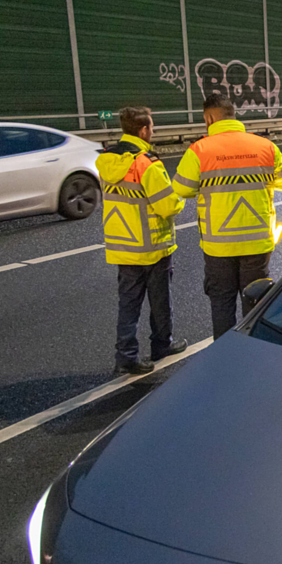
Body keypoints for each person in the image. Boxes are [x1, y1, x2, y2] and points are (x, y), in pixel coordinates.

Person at [173, 94, 282, 339]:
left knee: (222, 303)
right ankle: (254, 355)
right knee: (256, 302)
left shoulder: (199, 150)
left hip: (219, 245)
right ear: (232, 114)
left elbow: (181, 189)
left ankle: (224, 358)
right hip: (257, 242)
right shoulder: (265, 146)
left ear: (209, 118)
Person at [96, 106, 187, 375]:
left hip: (122, 245)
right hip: (152, 247)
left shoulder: (106, 162)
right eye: (152, 127)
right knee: (160, 301)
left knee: (128, 304)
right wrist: (180, 197)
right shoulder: (146, 164)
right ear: (143, 130)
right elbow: (167, 205)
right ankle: (162, 345)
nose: (153, 131)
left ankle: (125, 355)